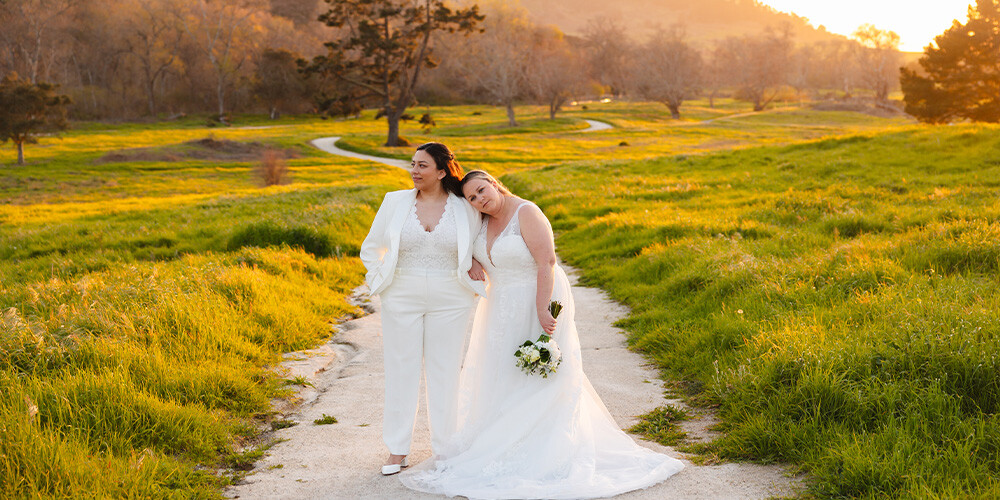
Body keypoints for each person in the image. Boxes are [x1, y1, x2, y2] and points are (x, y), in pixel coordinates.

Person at [399, 170, 684, 499]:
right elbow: (474, 251)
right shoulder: (481, 219)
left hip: (539, 299)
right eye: (473, 198)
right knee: (502, 372)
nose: (480, 200)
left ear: (494, 183)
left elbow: (546, 262)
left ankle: (545, 445)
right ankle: (503, 439)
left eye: (482, 190)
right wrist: (472, 262)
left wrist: (541, 310)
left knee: (540, 372)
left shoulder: (526, 212)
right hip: (500, 307)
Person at [359, 143, 486, 476]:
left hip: (452, 295)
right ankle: (397, 450)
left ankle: (445, 449)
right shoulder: (394, 201)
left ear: (442, 172)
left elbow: (481, 240)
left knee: (444, 371)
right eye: (412, 164)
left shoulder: (464, 206)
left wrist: (475, 260)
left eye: (423, 166)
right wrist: (380, 281)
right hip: (401, 293)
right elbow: (371, 248)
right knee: (401, 368)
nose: (414, 171)